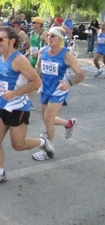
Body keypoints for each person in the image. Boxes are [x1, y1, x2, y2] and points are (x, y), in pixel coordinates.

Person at [0, 27, 54, 186]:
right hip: (2, 105)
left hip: (18, 107)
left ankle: (43, 142)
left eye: (1, 39)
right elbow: (4, 78)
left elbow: (36, 82)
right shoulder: (1, 57)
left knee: (18, 145)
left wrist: (15, 93)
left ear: (12, 41)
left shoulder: (19, 59)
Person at [32, 27, 85, 161]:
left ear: (60, 40)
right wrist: (35, 80)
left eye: (53, 36)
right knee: (46, 118)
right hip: (45, 88)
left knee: (48, 119)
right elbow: (38, 66)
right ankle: (68, 124)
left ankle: (47, 149)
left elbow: (80, 75)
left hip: (59, 90)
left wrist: (69, 84)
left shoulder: (66, 55)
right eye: (48, 35)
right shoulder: (42, 51)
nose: (49, 38)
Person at [27, 16, 48, 110]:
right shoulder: (31, 33)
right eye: (33, 22)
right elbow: (31, 45)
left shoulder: (44, 33)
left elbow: (50, 45)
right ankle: (29, 101)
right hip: (32, 59)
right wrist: (28, 53)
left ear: (40, 24)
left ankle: (54, 99)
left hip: (41, 60)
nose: (33, 24)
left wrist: (39, 52)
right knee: (32, 81)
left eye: (35, 23)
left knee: (40, 81)